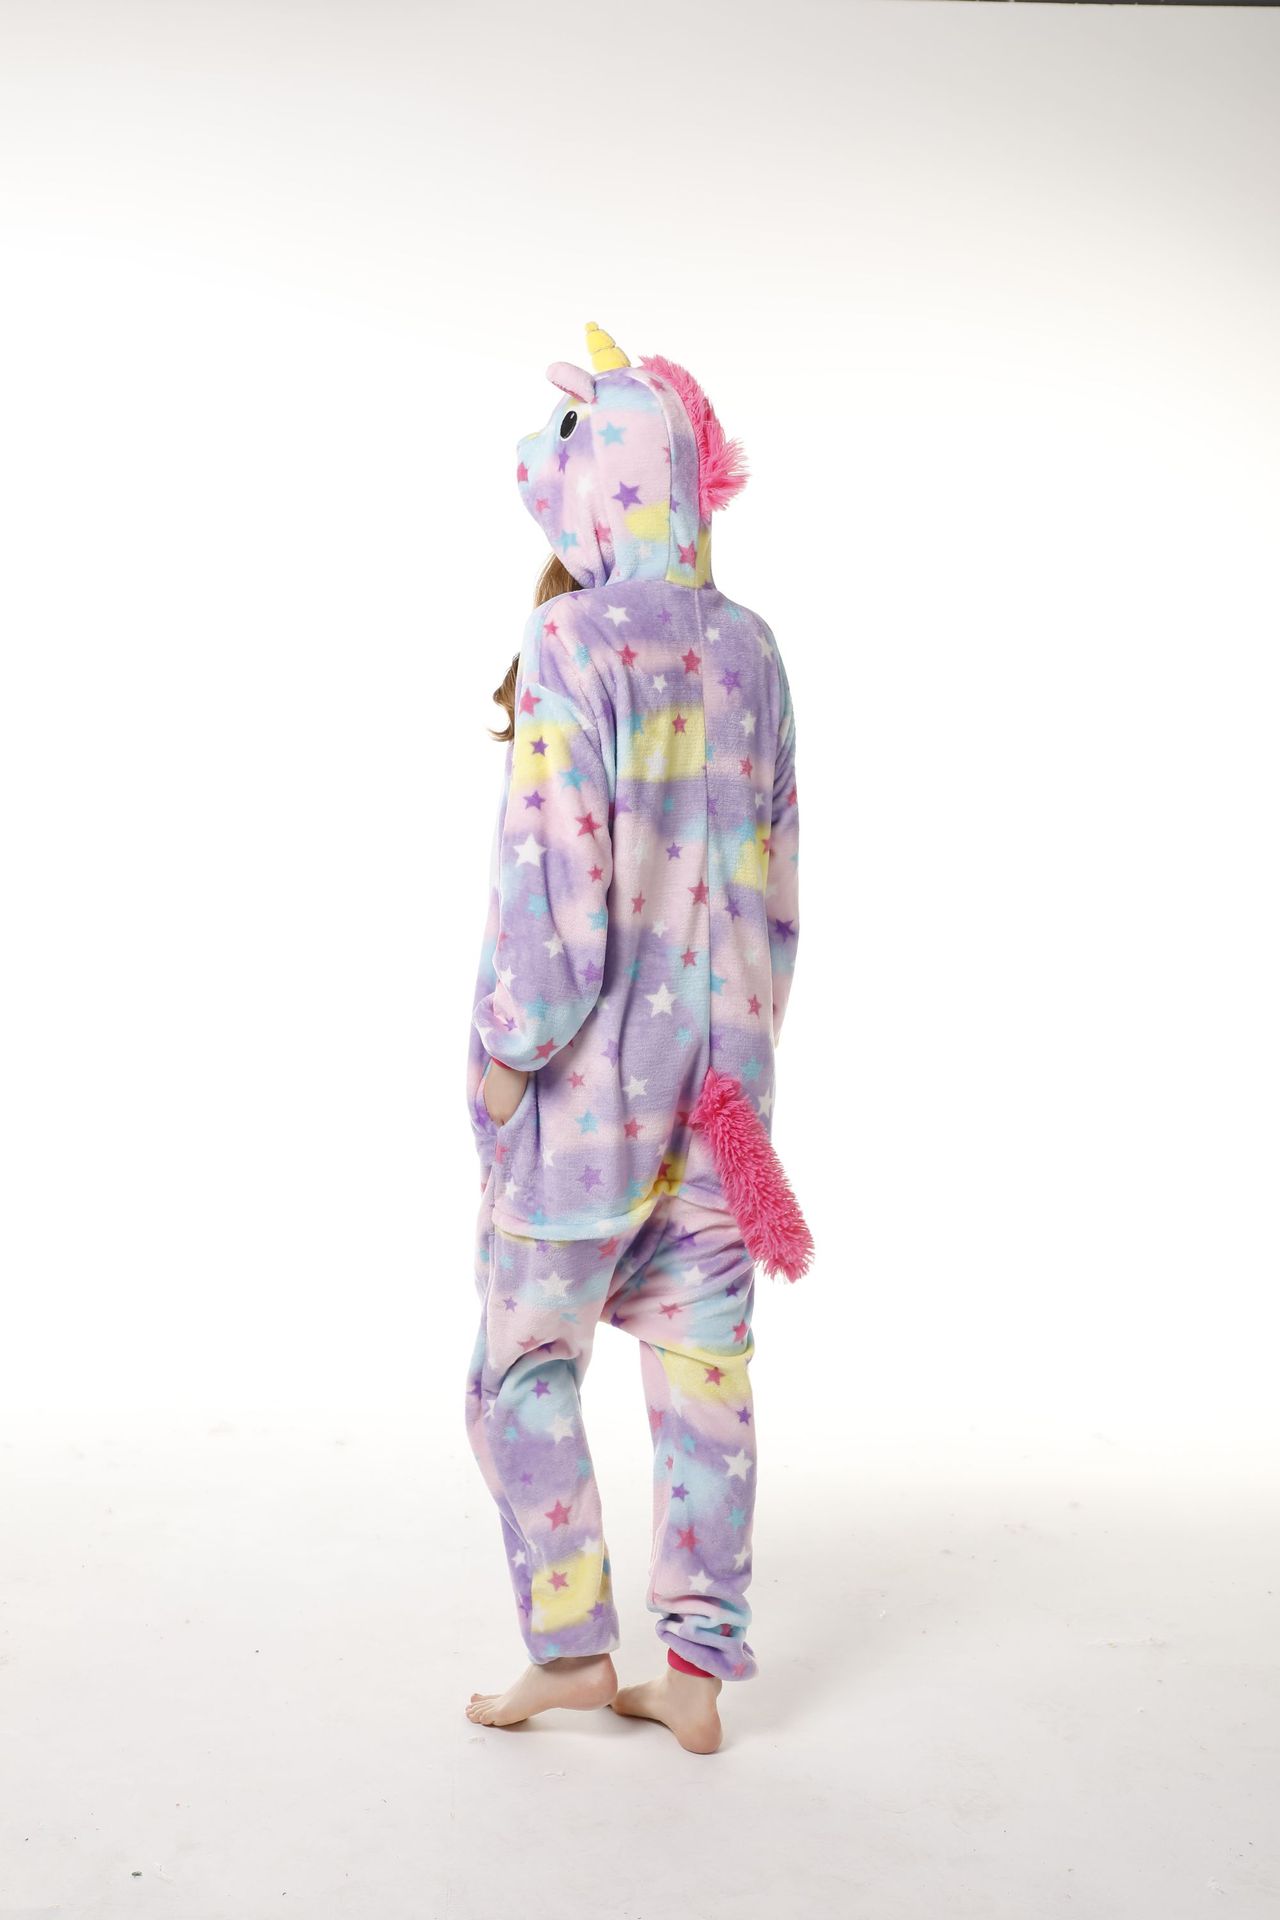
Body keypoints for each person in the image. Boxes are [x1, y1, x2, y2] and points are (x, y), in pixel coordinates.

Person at [463, 323, 809, 1754]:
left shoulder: (569, 642)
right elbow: (777, 887)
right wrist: (745, 1052)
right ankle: (699, 1675)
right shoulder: (752, 649)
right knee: (705, 1381)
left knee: (519, 1371)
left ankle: (570, 1647)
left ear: (603, 480)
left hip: (588, 1103)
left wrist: (505, 1052)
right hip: (725, 1099)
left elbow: (557, 882)